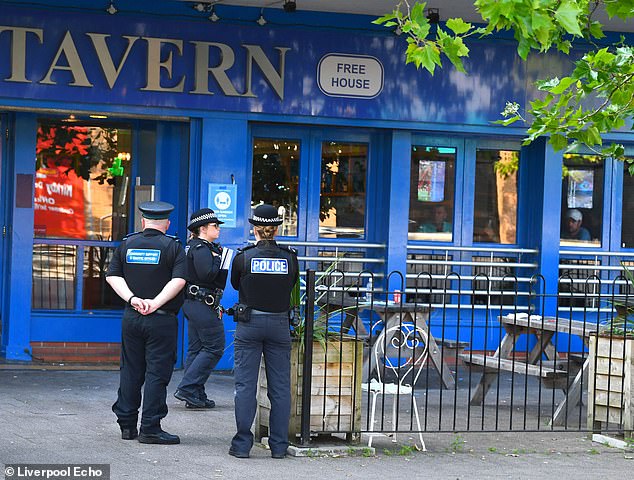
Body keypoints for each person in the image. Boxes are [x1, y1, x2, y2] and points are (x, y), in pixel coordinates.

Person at [106, 201, 186, 445]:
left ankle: (127, 426)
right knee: (156, 373)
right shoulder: (174, 247)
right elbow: (179, 281)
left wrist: (133, 299)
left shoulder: (127, 243)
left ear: (143, 222)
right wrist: (155, 303)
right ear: (167, 223)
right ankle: (150, 427)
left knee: (130, 370)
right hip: (161, 320)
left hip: (132, 318)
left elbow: (112, 276)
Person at [229, 204, 299, 459]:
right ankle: (279, 447)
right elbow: (291, 284)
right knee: (280, 388)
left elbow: (236, 283)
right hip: (280, 325)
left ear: (254, 228)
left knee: (245, 386)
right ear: (277, 228)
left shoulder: (244, 256)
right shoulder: (290, 257)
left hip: (249, 324)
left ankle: (241, 445)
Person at [174, 208, 227, 409]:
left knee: (196, 349)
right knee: (214, 346)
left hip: (194, 304)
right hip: (202, 304)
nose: (218, 229)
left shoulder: (194, 246)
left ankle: (195, 393)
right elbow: (207, 275)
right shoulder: (203, 249)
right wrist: (219, 258)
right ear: (202, 229)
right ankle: (188, 388)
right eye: (215, 226)